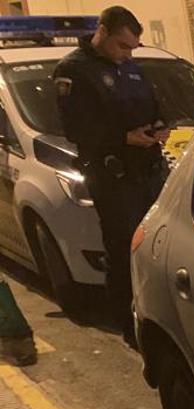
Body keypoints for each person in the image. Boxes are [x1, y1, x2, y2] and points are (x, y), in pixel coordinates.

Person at [54, 6, 169, 341]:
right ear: (102, 32)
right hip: (114, 178)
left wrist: (160, 127)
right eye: (122, 46)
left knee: (156, 248)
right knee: (124, 253)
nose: (127, 54)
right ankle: (130, 327)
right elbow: (75, 128)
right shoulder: (74, 70)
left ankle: (158, 320)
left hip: (148, 170)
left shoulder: (130, 67)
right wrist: (124, 138)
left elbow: (153, 105)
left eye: (132, 48)